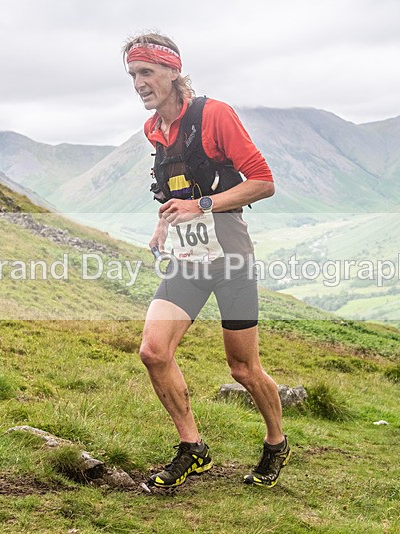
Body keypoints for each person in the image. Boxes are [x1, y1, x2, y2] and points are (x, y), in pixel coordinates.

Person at [123, 32, 290, 488]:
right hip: (186, 259)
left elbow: (263, 181)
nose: (138, 83)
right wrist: (164, 224)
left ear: (174, 71)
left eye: (146, 72)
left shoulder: (214, 115)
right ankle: (193, 448)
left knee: (242, 368)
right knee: (154, 352)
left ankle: (276, 442)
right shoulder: (153, 128)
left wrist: (203, 206)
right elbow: (175, 189)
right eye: (132, 75)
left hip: (230, 256)